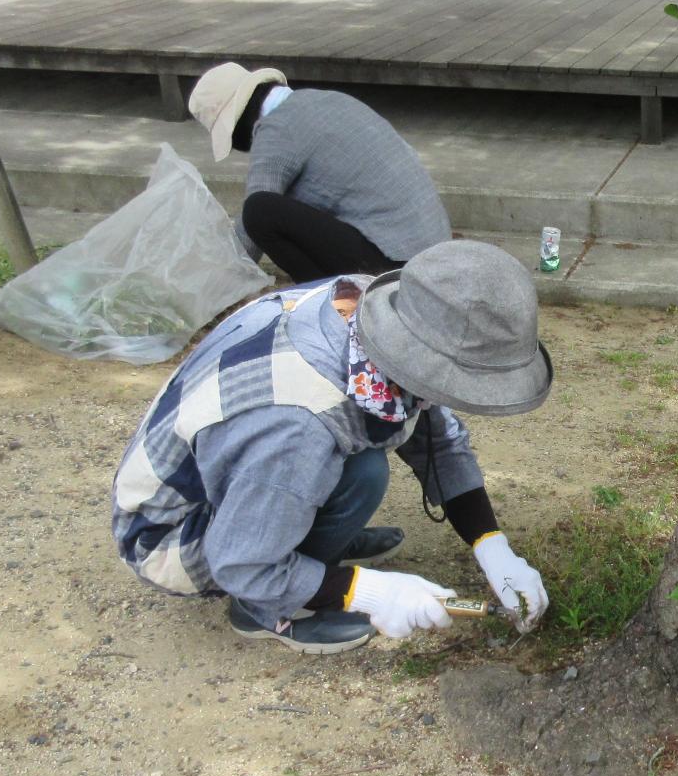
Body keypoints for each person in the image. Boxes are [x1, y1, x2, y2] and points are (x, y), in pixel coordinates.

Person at [111, 240, 552, 653]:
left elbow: (437, 437)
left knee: (356, 467)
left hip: (243, 477)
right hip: (174, 535)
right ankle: (266, 607)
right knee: (364, 472)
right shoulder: (299, 423)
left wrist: (493, 547)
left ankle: (308, 543)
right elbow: (240, 563)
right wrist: (371, 593)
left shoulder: (372, 315)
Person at [187, 62, 453, 284]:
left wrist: (212, 286)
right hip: (433, 252)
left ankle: (331, 301)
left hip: (396, 264)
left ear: (238, 124)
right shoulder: (326, 100)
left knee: (260, 211)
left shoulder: (276, 131)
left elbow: (249, 232)